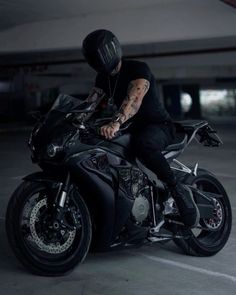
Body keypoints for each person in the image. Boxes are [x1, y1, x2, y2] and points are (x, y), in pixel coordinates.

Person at [82, 29, 200, 228]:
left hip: (157, 125)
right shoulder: (102, 78)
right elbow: (90, 104)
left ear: (111, 49)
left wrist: (115, 123)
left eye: (99, 53)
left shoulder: (137, 69)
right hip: (130, 127)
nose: (98, 59)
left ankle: (177, 189)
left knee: (143, 145)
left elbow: (134, 100)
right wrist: (68, 119)